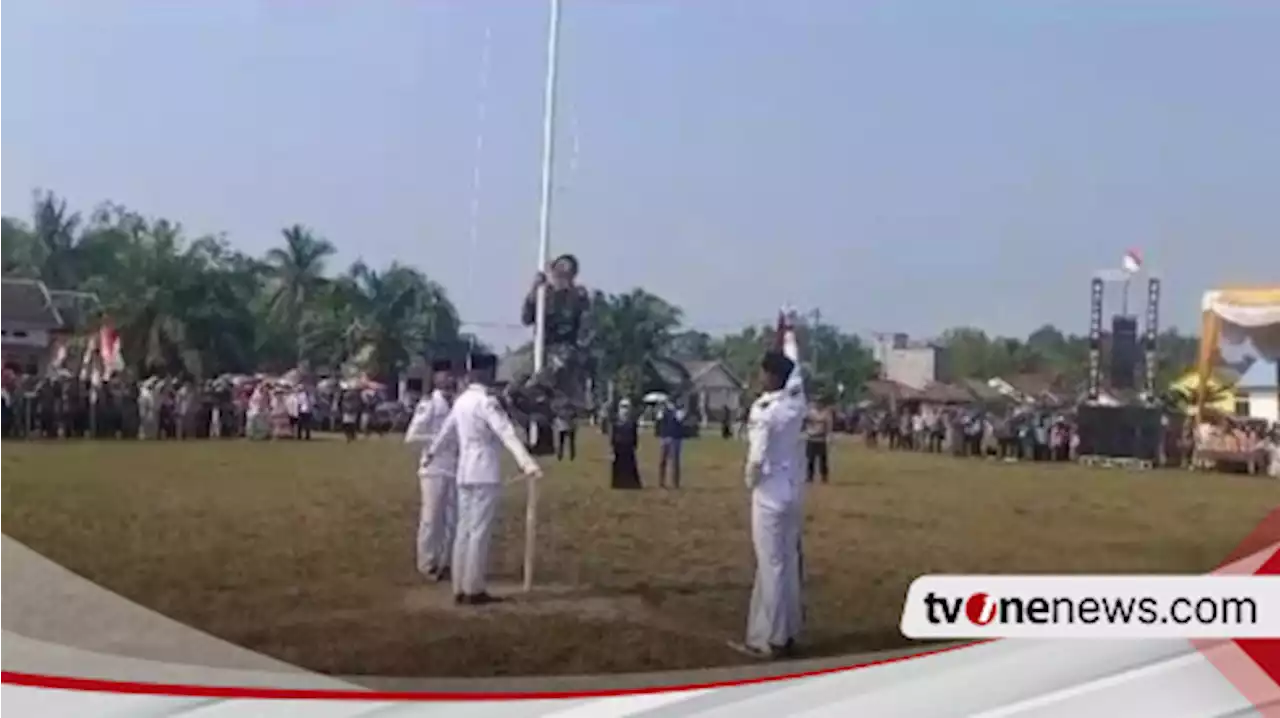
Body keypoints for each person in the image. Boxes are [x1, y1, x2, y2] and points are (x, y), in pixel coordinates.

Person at [427, 353, 542, 606]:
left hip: (464, 471)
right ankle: (474, 588)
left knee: (463, 530)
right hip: (484, 471)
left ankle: (460, 586)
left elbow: (446, 432)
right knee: (478, 531)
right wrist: (527, 462)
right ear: (486, 372)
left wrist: (431, 453)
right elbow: (506, 432)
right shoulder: (486, 402)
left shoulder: (461, 401)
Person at [730, 311, 806, 661]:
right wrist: (789, 334)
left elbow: (757, 457)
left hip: (769, 494)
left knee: (770, 565)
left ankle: (771, 638)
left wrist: (750, 478)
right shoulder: (796, 402)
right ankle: (784, 631)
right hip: (793, 491)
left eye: (763, 371)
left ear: (771, 376)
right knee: (786, 564)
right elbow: (796, 364)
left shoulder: (764, 411)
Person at [405, 359, 459, 582]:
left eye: (450, 374)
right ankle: (427, 563)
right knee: (431, 517)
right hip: (433, 467)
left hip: (455, 467)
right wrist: (437, 440)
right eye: (443, 374)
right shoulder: (429, 404)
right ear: (435, 378)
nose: (448, 378)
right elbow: (411, 437)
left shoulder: (457, 403)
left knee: (451, 519)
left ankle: (445, 562)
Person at [519, 254, 591, 408]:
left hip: (564, 350)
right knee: (518, 378)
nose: (560, 276)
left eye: (565, 272)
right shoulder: (544, 294)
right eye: (557, 271)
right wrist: (534, 291)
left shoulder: (577, 295)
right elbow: (526, 319)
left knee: (560, 365)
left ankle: (542, 388)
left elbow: (581, 326)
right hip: (541, 348)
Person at [610, 399, 641, 489]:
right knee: (618, 465)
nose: (625, 409)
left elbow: (634, 434)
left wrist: (635, 444)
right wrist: (613, 445)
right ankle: (619, 483)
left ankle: (630, 483)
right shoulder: (616, 421)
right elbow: (613, 434)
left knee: (630, 465)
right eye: (623, 407)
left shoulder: (632, 421)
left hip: (628, 446)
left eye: (627, 407)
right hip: (619, 446)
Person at [803, 399, 832, 484]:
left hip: (821, 438)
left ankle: (824, 476)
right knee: (810, 459)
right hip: (811, 437)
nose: (818, 405)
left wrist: (829, 436)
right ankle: (809, 476)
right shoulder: (810, 413)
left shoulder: (826, 413)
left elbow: (829, 425)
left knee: (823, 459)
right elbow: (803, 421)